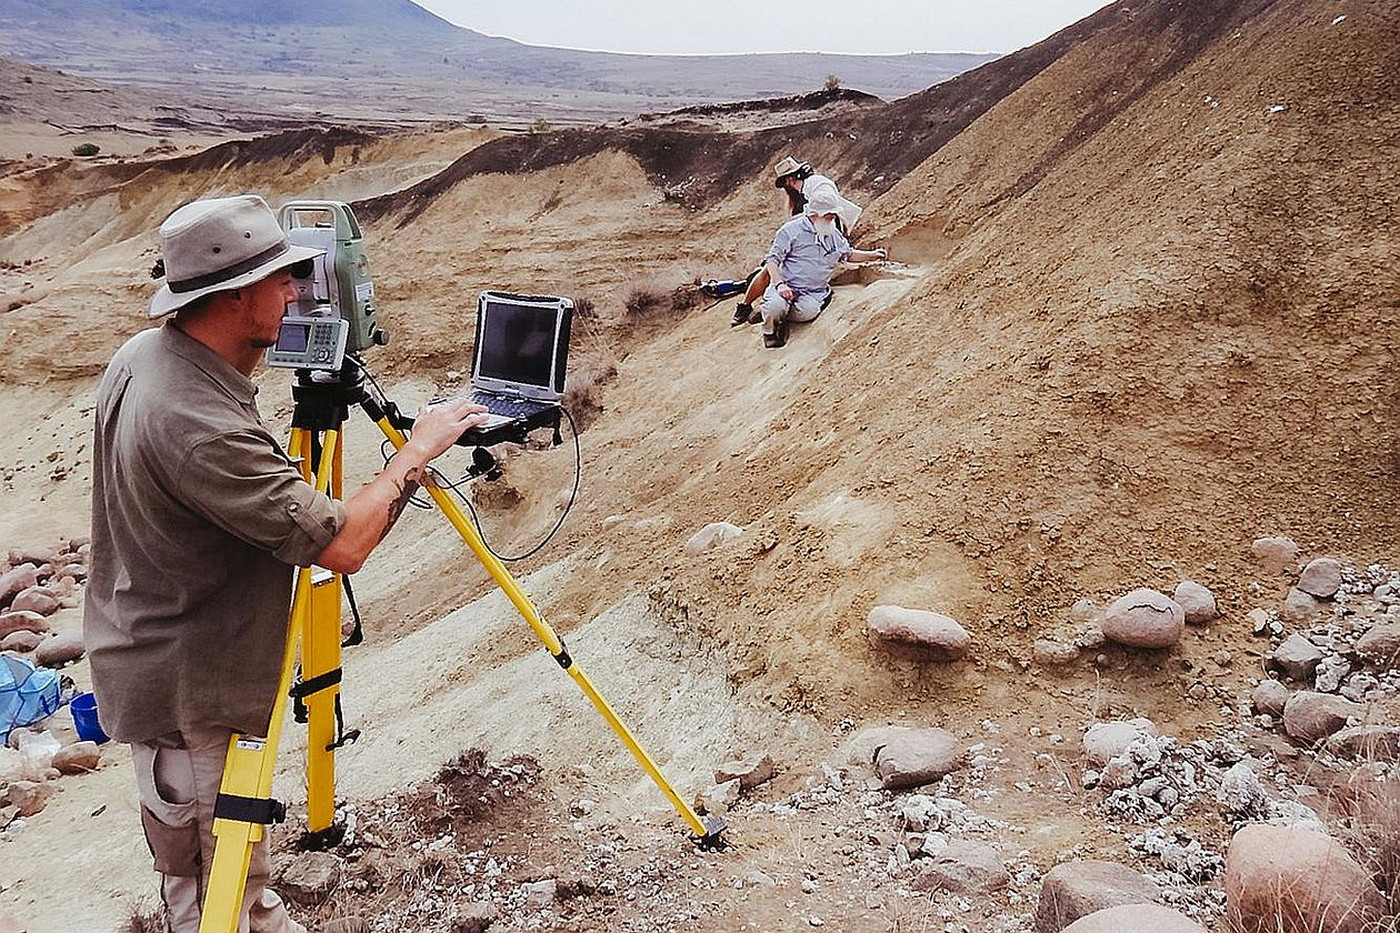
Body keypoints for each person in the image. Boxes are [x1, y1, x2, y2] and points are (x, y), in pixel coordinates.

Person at [83, 194, 490, 932]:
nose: (298, 294)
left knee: (240, 876)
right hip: (190, 692)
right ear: (236, 296)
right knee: (210, 894)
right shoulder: (195, 423)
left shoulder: (147, 355)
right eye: (284, 279)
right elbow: (342, 545)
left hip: (169, 652)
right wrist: (419, 449)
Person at [731, 155, 863, 327]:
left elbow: (826, 212)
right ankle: (760, 308)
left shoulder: (816, 186)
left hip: (825, 240)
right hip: (820, 238)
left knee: (768, 270)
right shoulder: (808, 190)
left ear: (789, 180)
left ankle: (748, 307)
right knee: (772, 266)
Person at [757, 188, 887, 348]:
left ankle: (780, 314)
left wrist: (872, 255)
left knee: (808, 312)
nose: (833, 217)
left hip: (813, 291)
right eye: (829, 214)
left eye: (833, 213)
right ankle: (770, 328)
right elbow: (772, 261)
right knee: (774, 307)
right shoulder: (790, 231)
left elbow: (848, 254)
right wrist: (780, 285)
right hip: (786, 285)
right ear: (815, 213)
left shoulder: (831, 232)